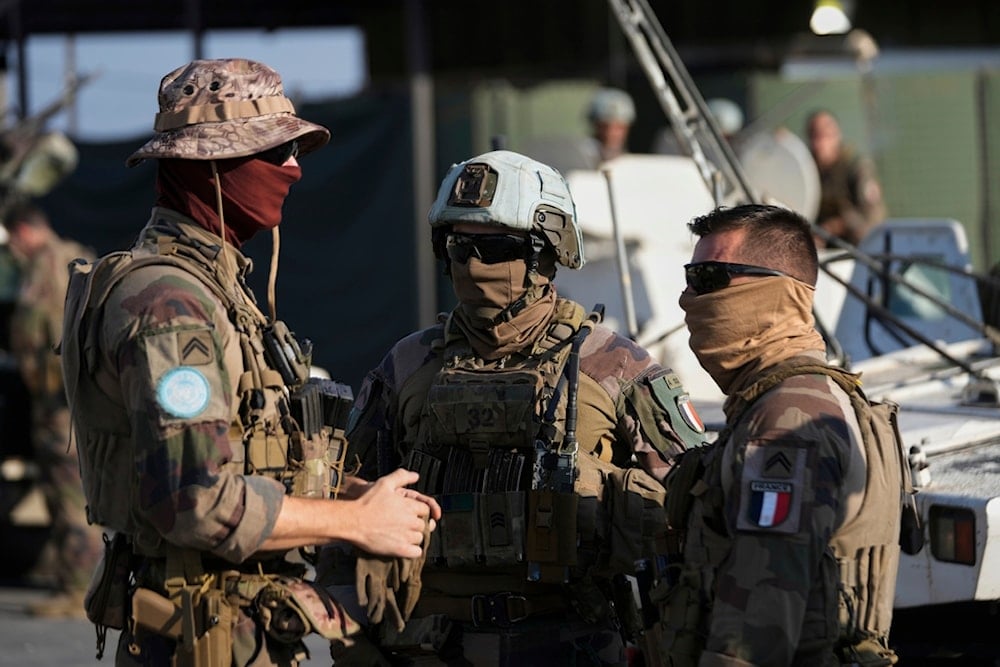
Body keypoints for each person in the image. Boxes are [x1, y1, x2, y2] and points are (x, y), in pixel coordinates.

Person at [58, 58, 440, 666]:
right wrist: (355, 522)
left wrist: (349, 489)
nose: (293, 167)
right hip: (200, 631)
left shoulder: (216, 290)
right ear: (210, 165)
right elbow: (195, 502)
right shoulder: (171, 306)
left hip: (237, 625)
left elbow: (241, 457)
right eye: (276, 150)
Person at [320, 149, 708, 665]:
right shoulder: (408, 364)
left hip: (569, 641)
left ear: (546, 253)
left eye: (497, 246)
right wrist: (351, 642)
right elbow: (343, 506)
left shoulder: (612, 365)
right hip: (426, 646)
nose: (475, 265)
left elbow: (695, 509)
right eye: (459, 247)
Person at [661, 203, 904, 665]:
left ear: (779, 292)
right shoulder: (790, 399)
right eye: (690, 276)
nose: (687, 298)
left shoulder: (789, 420)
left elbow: (755, 632)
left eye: (710, 278)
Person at [3, 200, 103, 617]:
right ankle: (84, 582)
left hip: (58, 400)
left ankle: (81, 590)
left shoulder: (43, 267)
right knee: (83, 491)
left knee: (69, 495)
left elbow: (29, 330)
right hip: (83, 397)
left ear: (24, 231)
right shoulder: (78, 258)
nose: (12, 251)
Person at [806, 109, 886, 247]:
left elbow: (872, 218)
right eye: (814, 136)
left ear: (836, 136)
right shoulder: (808, 168)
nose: (819, 144)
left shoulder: (856, 167)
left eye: (824, 136)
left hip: (855, 249)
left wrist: (836, 226)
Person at [584, 87, 636, 167]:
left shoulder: (634, 165)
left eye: (619, 127)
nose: (611, 133)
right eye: (604, 126)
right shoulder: (580, 160)